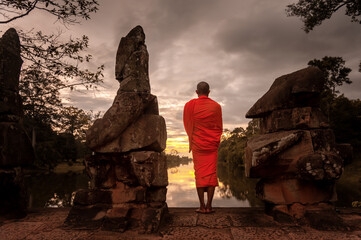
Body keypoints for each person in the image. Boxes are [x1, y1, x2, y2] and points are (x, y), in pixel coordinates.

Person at [183, 81, 223, 214]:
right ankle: (209, 206)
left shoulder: (190, 105)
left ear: (196, 92)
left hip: (198, 145)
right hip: (211, 144)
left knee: (200, 174)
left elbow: (187, 123)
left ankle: (202, 206)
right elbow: (219, 127)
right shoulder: (216, 106)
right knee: (211, 175)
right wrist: (215, 140)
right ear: (209, 92)